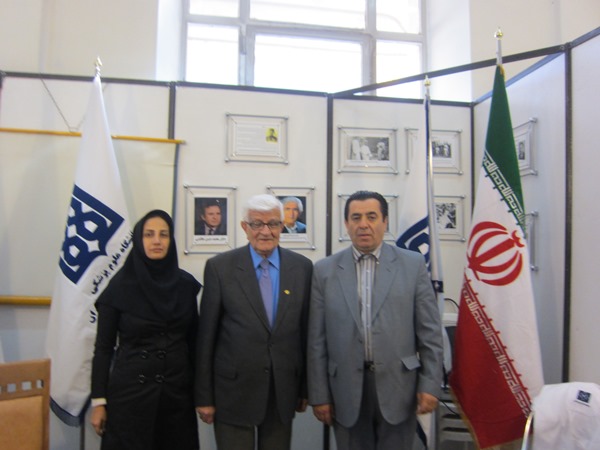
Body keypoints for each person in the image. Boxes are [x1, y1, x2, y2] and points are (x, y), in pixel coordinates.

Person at [307, 190, 443, 450]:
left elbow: (430, 333)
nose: (363, 224)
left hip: (400, 387)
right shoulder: (324, 271)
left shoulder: (412, 265)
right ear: (346, 224)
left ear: (385, 221)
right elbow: (316, 340)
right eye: (356, 217)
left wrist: (430, 384)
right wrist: (319, 394)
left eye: (371, 216)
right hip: (344, 390)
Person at [195, 194, 313, 450]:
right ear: (244, 227)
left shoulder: (302, 268)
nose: (265, 231)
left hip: (281, 392)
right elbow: (206, 338)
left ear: (282, 226)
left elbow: (305, 333)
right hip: (232, 392)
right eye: (257, 224)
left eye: (273, 223)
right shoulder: (220, 268)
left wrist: (304, 388)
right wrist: (204, 396)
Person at [90, 210, 202, 450]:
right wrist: (98, 402)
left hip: (176, 396)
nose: (157, 241)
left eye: (164, 235)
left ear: (171, 240)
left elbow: (195, 344)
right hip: (130, 396)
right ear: (139, 240)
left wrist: (203, 395)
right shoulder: (119, 287)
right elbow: (103, 349)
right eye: (149, 234)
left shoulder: (185, 286)